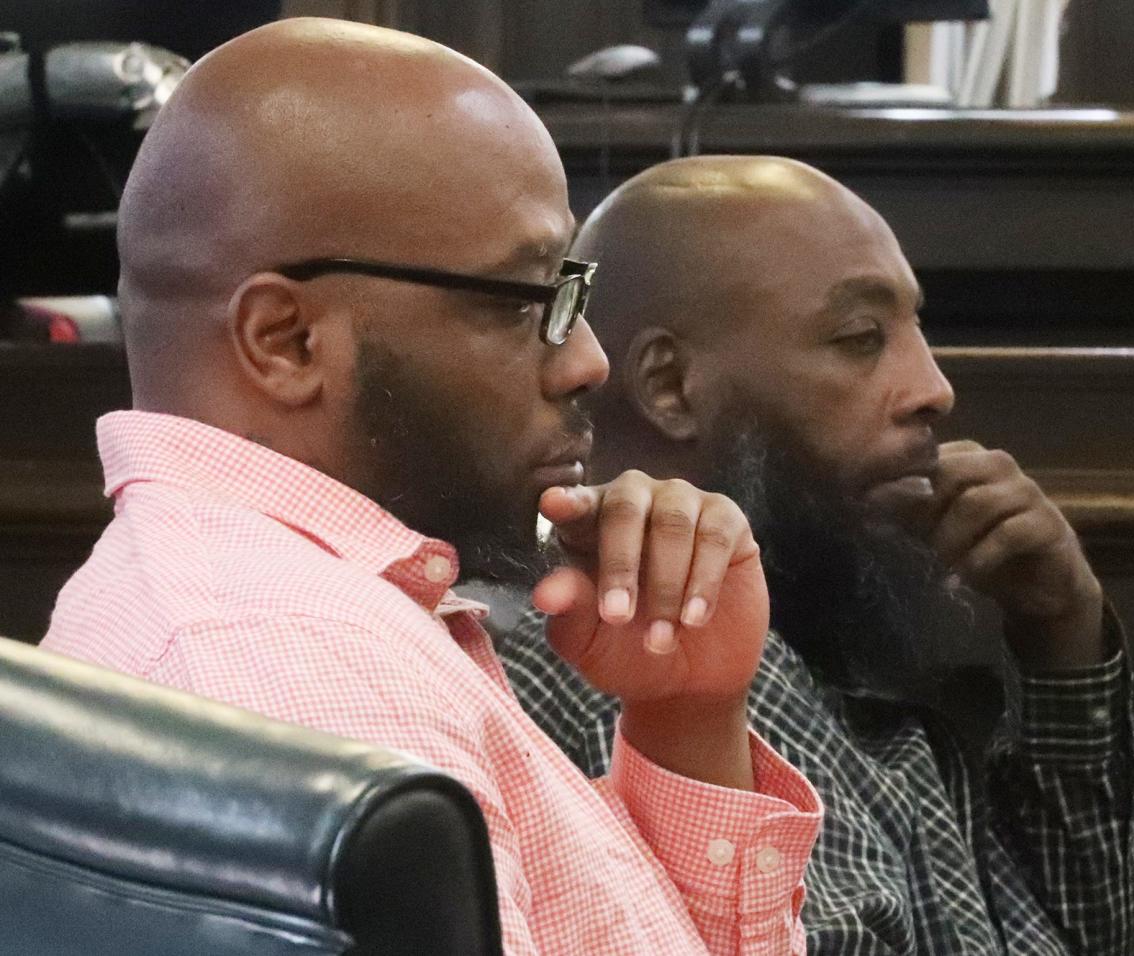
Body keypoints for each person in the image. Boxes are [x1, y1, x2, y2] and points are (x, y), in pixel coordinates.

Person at [41, 24, 825, 955]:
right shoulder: (294, 668)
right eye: (524, 300)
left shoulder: (294, 611)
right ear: (286, 342)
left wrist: (686, 720)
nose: (585, 360)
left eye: (569, 292)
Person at [499, 155, 1134, 955]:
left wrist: (1062, 637)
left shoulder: (806, 619)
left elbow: (1091, 942)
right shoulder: (646, 635)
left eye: (918, 330)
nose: (933, 388)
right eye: (860, 339)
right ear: (671, 386)